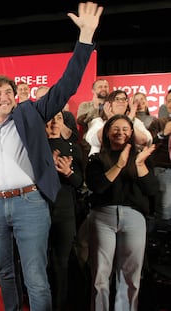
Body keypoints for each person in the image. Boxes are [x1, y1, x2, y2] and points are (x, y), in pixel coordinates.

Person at [0, 3, 103, 310]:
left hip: (29, 204)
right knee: (5, 272)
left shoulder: (30, 114)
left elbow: (66, 86)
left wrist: (85, 36)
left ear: (15, 97)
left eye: (8, 92)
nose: (3, 97)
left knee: (34, 275)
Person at [85, 114, 158, 311]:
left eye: (126, 129)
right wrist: (119, 165)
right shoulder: (96, 159)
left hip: (134, 218)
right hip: (103, 217)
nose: (121, 133)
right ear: (107, 133)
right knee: (100, 275)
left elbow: (151, 189)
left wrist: (139, 165)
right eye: (116, 128)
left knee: (130, 275)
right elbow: (98, 186)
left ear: (132, 133)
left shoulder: (141, 158)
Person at [45, 112, 84, 311]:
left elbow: (80, 183)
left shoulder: (72, 148)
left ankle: (59, 305)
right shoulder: (36, 149)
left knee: (61, 261)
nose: (53, 122)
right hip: (38, 210)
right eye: (50, 118)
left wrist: (68, 172)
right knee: (40, 261)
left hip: (65, 211)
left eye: (58, 118)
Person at [85, 90, 152, 156]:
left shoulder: (135, 121)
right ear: (109, 103)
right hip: (102, 161)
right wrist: (111, 121)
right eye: (117, 99)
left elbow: (145, 141)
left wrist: (128, 120)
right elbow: (95, 141)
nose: (121, 101)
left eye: (124, 99)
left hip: (129, 161)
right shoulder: (98, 121)